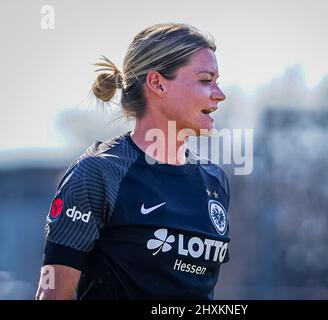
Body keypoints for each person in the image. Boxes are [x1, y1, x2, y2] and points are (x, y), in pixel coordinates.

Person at [35, 23, 230, 300]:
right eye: (205, 80)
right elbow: (51, 296)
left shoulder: (215, 180)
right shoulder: (98, 173)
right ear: (157, 83)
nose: (220, 94)